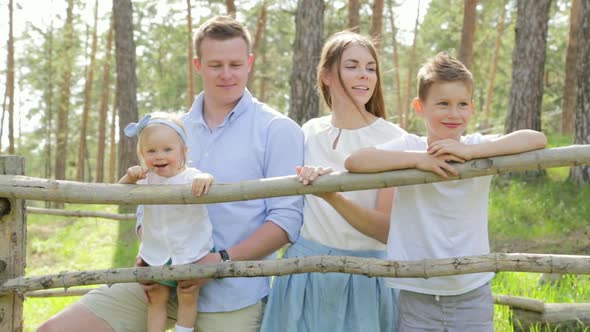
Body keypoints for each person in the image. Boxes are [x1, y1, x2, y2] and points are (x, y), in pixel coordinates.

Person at [38, 15, 304, 332]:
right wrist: (151, 253)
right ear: (197, 64)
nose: (227, 74)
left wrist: (218, 263)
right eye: (215, 65)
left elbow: (285, 221)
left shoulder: (277, 129)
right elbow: (145, 204)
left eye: (235, 64)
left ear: (249, 63)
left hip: (232, 295)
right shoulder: (171, 129)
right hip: (159, 283)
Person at [345, 52, 547, 331]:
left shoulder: (478, 146)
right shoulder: (410, 146)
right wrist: (418, 160)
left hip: (472, 287)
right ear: (420, 107)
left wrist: (470, 151)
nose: (454, 113)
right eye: (443, 104)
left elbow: (537, 139)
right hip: (417, 289)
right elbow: (356, 161)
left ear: (472, 108)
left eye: (462, 104)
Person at [261, 31, 406, 332]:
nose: (364, 75)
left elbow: (385, 230)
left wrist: (332, 196)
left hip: (364, 277)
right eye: (352, 66)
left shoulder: (394, 139)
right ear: (327, 75)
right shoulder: (307, 131)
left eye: (370, 67)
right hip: (302, 275)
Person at [119, 112, 215, 332]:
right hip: (157, 251)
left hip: (190, 250)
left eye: (167, 150)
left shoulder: (191, 177)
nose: (159, 156)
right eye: (151, 151)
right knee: (155, 297)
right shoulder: (145, 180)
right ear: (142, 154)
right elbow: (120, 193)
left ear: (184, 151)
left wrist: (205, 178)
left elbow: (208, 179)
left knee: (188, 293)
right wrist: (129, 177)